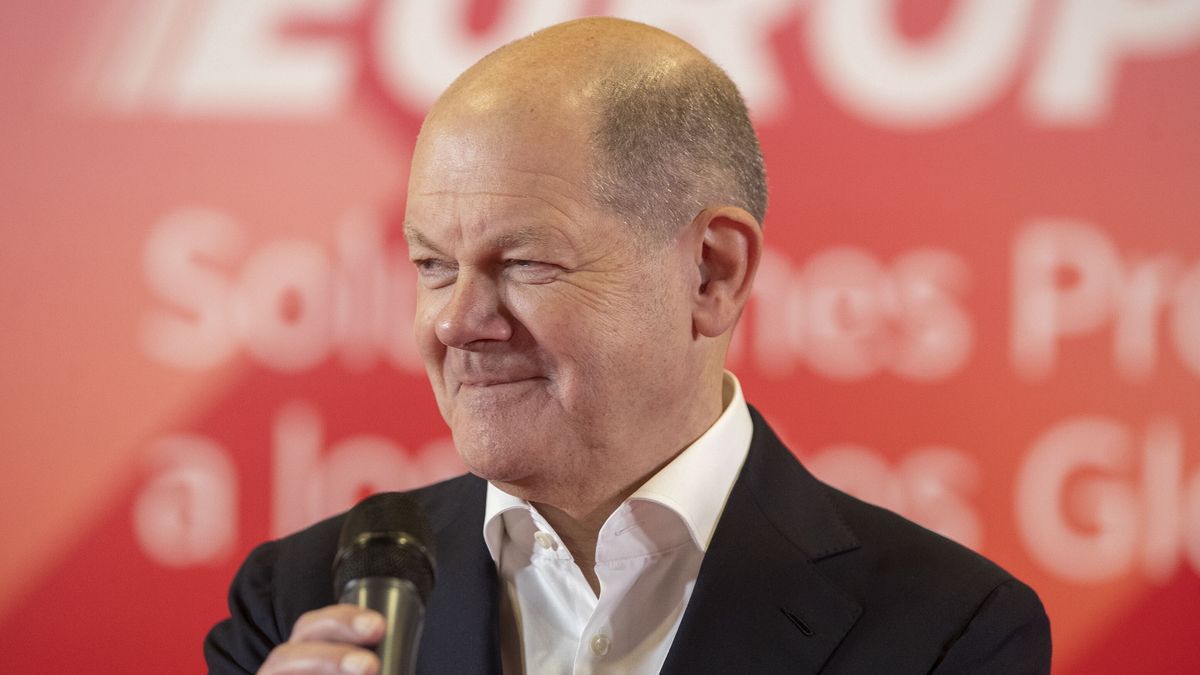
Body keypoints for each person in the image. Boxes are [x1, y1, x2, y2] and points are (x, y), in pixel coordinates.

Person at [205, 17, 1051, 675]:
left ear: (712, 274)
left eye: (525, 262)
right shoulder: (296, 602)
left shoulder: (947, 630)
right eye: (432, 264)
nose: (455, 321)